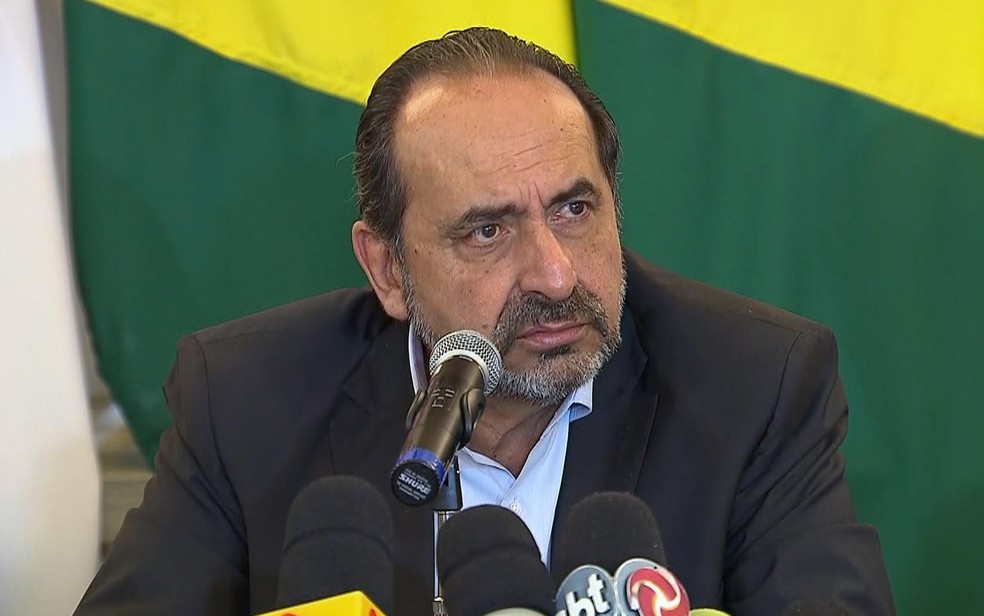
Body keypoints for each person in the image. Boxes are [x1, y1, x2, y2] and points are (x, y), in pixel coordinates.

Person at [75, 27, 895, 615]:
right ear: (388, 269)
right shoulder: (246, 403)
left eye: (574, 209)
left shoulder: (754, 385)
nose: (555, 273)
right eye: (487, 231)